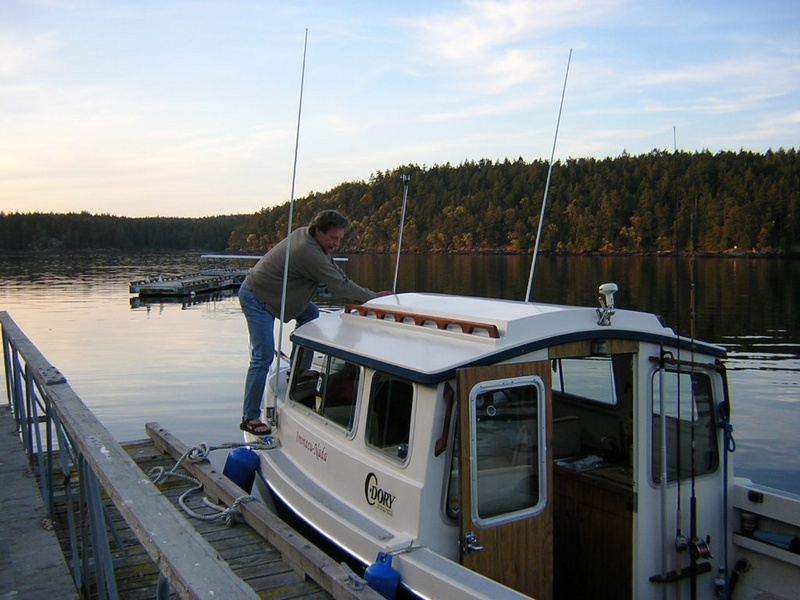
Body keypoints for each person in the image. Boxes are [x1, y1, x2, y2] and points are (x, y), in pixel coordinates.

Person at [238, 209, 392, 435]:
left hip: (278, 297)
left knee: (310, 313)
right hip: (257, 297)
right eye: (333, 238)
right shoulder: (308, 252)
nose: (337, 244)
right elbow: (339, 286)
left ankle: (298, 370)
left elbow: (336, 273)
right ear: (319, 231)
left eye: (340, 239)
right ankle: (250, 417)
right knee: (263, 357)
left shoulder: (309, 238)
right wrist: (373, 297)